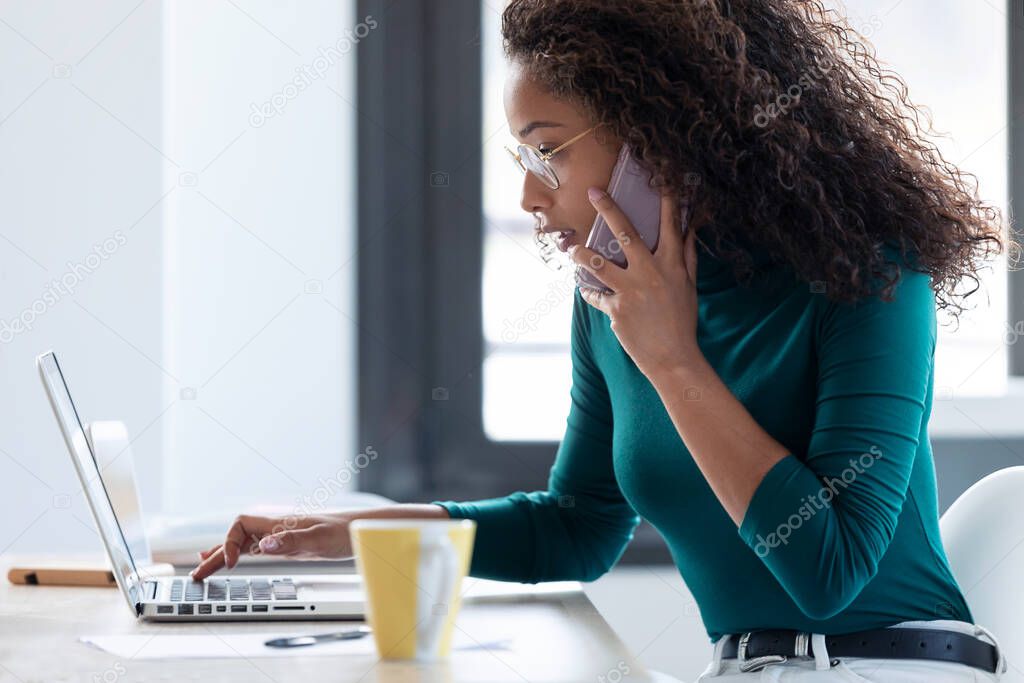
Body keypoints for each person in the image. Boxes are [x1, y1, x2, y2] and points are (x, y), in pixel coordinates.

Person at [191, 1, 1013, 679]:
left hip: (897, 665)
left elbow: (828, 570)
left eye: (547, 153)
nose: (526, 195)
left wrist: (673, 360)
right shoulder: (609, 308)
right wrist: (357, 529)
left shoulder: (867, 277)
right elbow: (578, 526)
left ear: (661, 135)